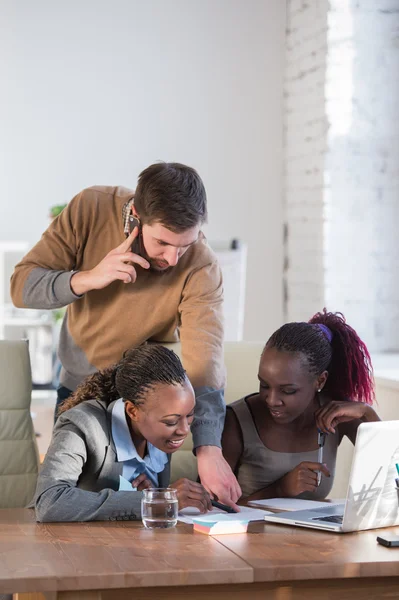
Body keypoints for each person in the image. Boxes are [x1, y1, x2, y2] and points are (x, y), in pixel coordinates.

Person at [11, 162, 240, 508]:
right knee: (76, 515)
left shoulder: (201, 264)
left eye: (184, 245)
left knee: (149, 522)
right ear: (136, 215)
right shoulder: (90, 208)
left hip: (149, 411)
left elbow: (204, 361)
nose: (172, 258)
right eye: (162, 242)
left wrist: (208, 449)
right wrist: (86, 278)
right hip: (80, 395)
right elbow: (21, 287)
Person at [33, 345, 212, 522]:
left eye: (190, 415)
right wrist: (153, 500)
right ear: (133, 411)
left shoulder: (162, 434)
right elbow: (49, 501)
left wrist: (147, 496)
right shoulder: (82, 424)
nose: (184, 430)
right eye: (171, 421)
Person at [221, 310, 380, 502]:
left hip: (319, 532)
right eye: (264, 385)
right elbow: (211, 508)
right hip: (250, 533)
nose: (271, 400)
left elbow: (392, 472)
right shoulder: (236, 420)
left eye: (287, 391)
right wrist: (279, 489)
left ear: (320, 381)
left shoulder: (335, 416)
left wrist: (366, 412)